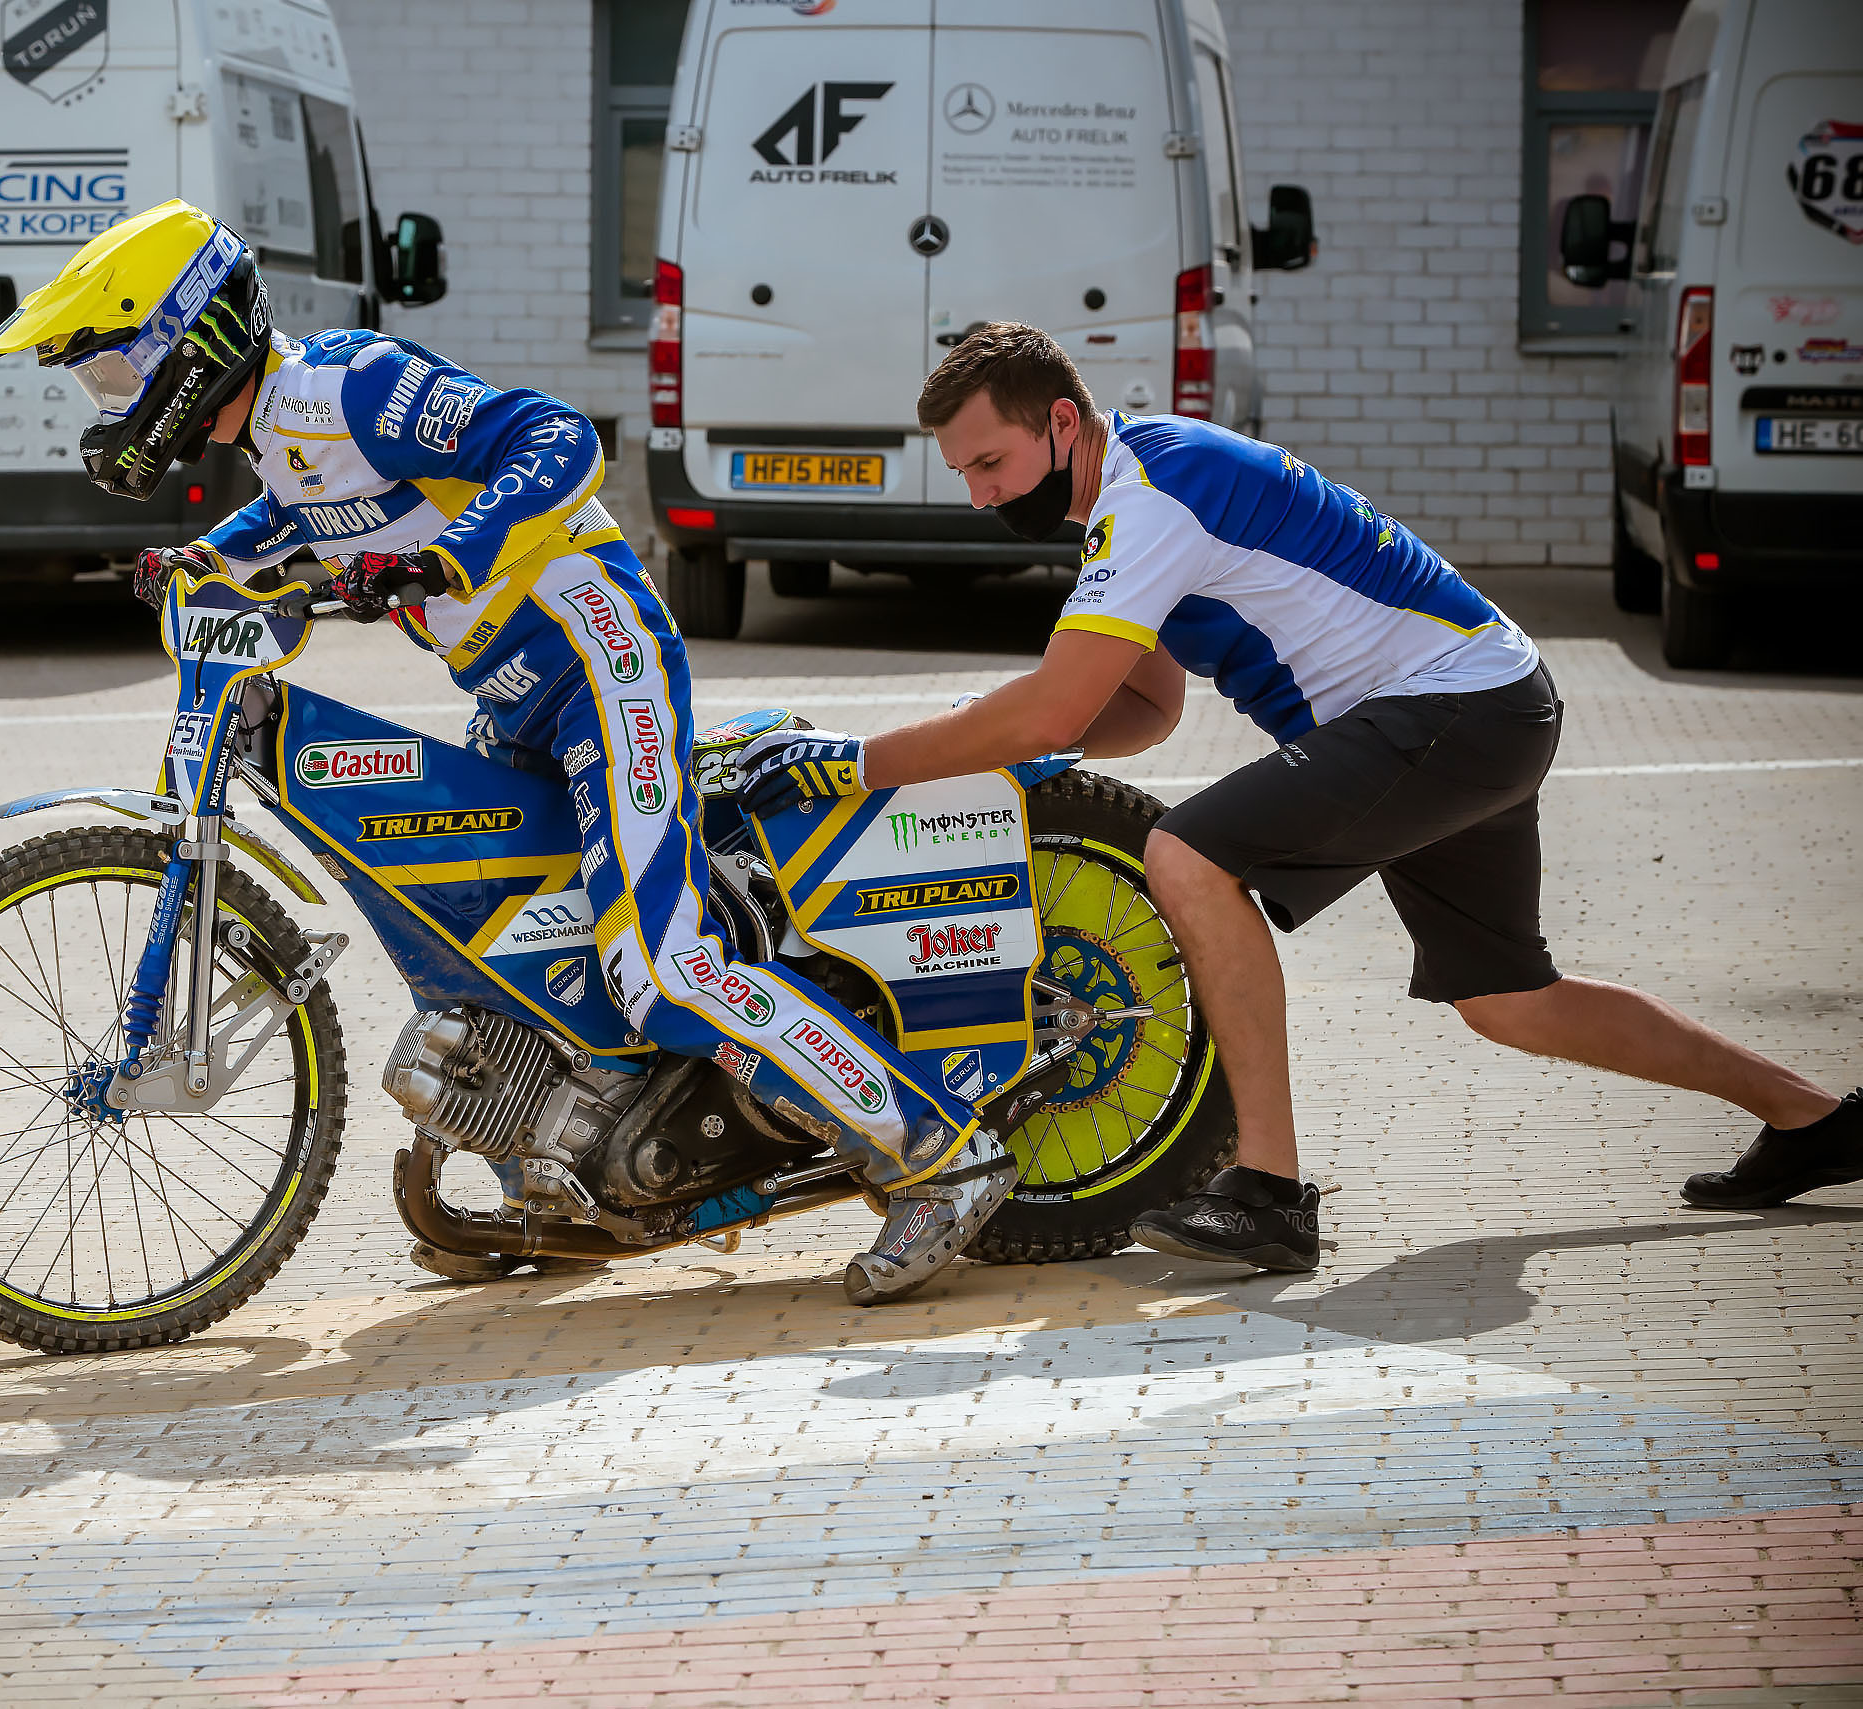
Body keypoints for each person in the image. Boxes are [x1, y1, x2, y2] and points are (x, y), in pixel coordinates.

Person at [0, 199, 1015, 1304]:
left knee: (659, 969)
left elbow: (558, 439)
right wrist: (196, 558)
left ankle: (939, 1155)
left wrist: (449, 558)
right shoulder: (280, 436)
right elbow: (299, 521)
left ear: (188, 337)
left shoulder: (349, 386)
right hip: (518, 700)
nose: (114, 403)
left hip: (599, 665)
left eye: (115, 370)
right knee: (507, 942)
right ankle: (566, 1180)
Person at [734, 321, 1860, 1271]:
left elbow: (1052, 711)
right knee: (1510, 999)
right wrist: (1002, 745)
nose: (979, 496)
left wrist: (857, 761)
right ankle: (1817, 1116)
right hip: (1479, 702)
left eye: (988, 464)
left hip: (1452, 709)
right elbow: (1142, 709)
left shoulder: (1152, 495)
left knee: (1184, 855)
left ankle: (1265, 1189)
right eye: (966, 474)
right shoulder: (1133, 494)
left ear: (1059, 426)